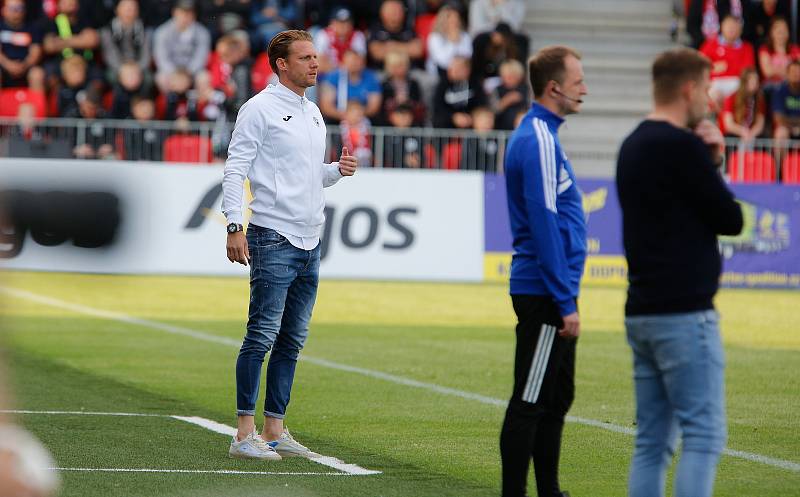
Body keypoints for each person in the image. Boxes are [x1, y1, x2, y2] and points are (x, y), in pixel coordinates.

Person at [222, 29, 357, 460]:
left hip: (309, 239)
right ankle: (244, 433)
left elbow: (307, 174)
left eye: (315, 57)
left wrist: (336, 170)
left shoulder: (313, 112)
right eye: (305, 58)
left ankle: (275, 429)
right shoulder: (258, 109)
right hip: (272, 234)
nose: (315, 64)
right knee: (261, 334)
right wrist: (233, 225)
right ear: (281, 64)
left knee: (292, 340)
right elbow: (234, 169)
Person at [616, 47, 744, 497]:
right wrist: (714, 160)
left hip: (642, 310)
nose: (709, 100)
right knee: (704, 436)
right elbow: (731, 219)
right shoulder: (683, 148)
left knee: (651, 443)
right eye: (707, 89)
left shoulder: (632, 144)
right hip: (685, 314)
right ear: (688, 88)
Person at [501, 44, 588, 497]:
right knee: (531, 399)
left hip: (552, 289)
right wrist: (564, 298)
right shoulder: (537, 139)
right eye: (578, 82)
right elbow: (545, 224)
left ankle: (550, 490)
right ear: (554, 87)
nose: (585, 90)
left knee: (556, 396)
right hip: (546, 291)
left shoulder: (543, 136)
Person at [152, 0, 211, 93]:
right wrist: (175, 74)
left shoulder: (202, 32)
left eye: (189, 13)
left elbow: (201, 58)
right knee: (161, 78)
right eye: (182, 12)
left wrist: (188, 74)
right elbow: (161, 58)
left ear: (194, 15)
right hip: (171, 71)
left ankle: (196, 106)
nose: (185, 16)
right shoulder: (162, 31)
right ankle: (170, 104)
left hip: (192, 71)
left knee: (204, 78)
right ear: (174, 12)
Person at [699, 15, 755, 108]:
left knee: (742, 92)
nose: (731, 29)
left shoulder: (746, 47)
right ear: (722, 27)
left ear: (740, 30)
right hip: (715, 82)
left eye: (734, 26)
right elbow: (699, 65)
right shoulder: (710, 44)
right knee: (712, 93)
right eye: (729, 26)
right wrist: (712, 68)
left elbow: (748, 71)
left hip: (737, 83)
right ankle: (721, 120)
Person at [318, 48, 382, 123]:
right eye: (350, 61)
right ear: (343, 62)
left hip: (363, 119)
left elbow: (373, 107)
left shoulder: (371, 78)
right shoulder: (332, 77)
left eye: (356, 61)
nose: (354, 64)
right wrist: (346, 116)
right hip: (337, 120)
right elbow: (326, 106)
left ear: (363, 63)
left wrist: (356, 115)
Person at [99, 0, 150, 86]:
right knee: (111, 76)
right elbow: (110, 55)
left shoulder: (144, 29)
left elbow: (146, 55)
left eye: (133, 8)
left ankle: (142, 99)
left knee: (148, 78)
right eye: (126, 8)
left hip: (137, 66)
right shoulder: (108, 30)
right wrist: (123, 70)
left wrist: (137, 69)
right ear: (116, 10)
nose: (130, 11)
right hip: (118, 67)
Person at [367, 0, 424, 69]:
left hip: (410, 72)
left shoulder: (409, 29)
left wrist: (391, 46)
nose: (396, 14)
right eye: (392, 11)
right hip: (382, 72)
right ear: (382, 13)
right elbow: (377, 54)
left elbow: (417, 51)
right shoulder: (375, 30)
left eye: (398, 11)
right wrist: (406, 48)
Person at [0, 0, 42, 88]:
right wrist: (9, 65)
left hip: (26, 67)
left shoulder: (33, 28)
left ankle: (36, 102)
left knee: (37, 74)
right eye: (12, 8)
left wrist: (24, 66)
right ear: (3, 10)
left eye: (19, 8)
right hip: (4, 66)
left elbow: (35, 52)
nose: (16, 12)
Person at [313, 7, 366, 75]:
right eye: (339, 22)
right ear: (332, 23)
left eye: (346, 22)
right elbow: (318, 64)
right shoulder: (323, 35)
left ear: (352, 24)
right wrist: (341, 70)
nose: (343, 26)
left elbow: (361, 64)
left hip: (351, 76)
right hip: (327, 75)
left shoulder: (358, 36)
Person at [425, 4, 471, 78]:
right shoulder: (434, 37)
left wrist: (458, 65)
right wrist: (453, 42)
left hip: (462, 72)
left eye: (456, 18)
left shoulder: (464, 35)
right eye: (450, 19)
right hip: (439, 75)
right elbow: (442, 61)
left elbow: (468, 55)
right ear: (443, 20)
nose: (454, 22)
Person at [721, 67, 765, 142]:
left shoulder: (759, 99)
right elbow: (728, 124)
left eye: (756, 81)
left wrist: (751, 134)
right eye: (752, 81)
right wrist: (742, 132)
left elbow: (760, 123)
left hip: (751, 134)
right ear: (744, 82)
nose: (755, 84)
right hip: (736, 134)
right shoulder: (732, 98)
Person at [757, 16, 799, 92]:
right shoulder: (765, 49)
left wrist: (776, 70)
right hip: (771, 86)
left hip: (793, 86)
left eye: (784, 29)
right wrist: (790, 73)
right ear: (771, 32)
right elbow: (768, 72)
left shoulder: (795, 49)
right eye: (778, 29)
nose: (781, 32)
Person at [772, 60, 800, 140]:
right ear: (787, 74)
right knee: (781, 133)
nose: (796, 74)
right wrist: (794, 126)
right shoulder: (779, 91)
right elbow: (778, 118)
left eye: (798, 72)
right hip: (786, 127)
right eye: (793, 71)